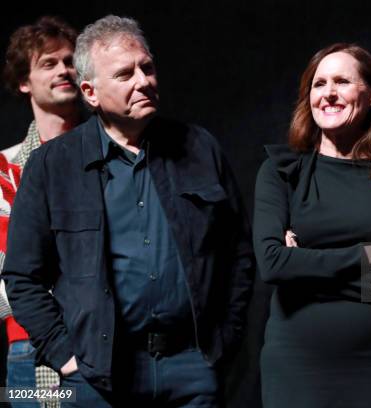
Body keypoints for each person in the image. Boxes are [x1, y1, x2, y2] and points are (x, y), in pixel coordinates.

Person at [3, 15, 254, 407]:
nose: (143, 81)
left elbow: (238, 253)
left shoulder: (200, 147)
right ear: (90, 92)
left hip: (192, 369)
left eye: (147, 68)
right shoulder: (51, 165)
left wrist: (223, 343)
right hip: (99, 375)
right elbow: (21, 274)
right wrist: (66, 355)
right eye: (125, 74)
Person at [253, 43, 371, 407]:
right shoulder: (280, 171)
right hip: (295, 365)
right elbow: (272, 263)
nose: (328, 94)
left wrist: (304, 263)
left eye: (342, 82)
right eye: (319, 85)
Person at [1, 16, 81, 407]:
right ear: (24, 82)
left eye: (69, 61)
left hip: (105, 338)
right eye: (49, 63)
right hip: (27, 352)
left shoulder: (110, 151)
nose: (64, 70)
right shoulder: (5, 169)